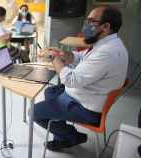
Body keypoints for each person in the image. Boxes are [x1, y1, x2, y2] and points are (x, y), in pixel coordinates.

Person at [34, 5, 128, 151]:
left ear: (106, 26)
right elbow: (81, 57)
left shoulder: (107, 53)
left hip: (86, 108)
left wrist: (53, 57)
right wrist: (63, 55)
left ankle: (71, 136)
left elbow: (71, 80)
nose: (86, 25)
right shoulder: (108, 43)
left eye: (91, 22)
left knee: (34, 112)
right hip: (87, 95)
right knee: (50, 92)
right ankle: (61, 133)